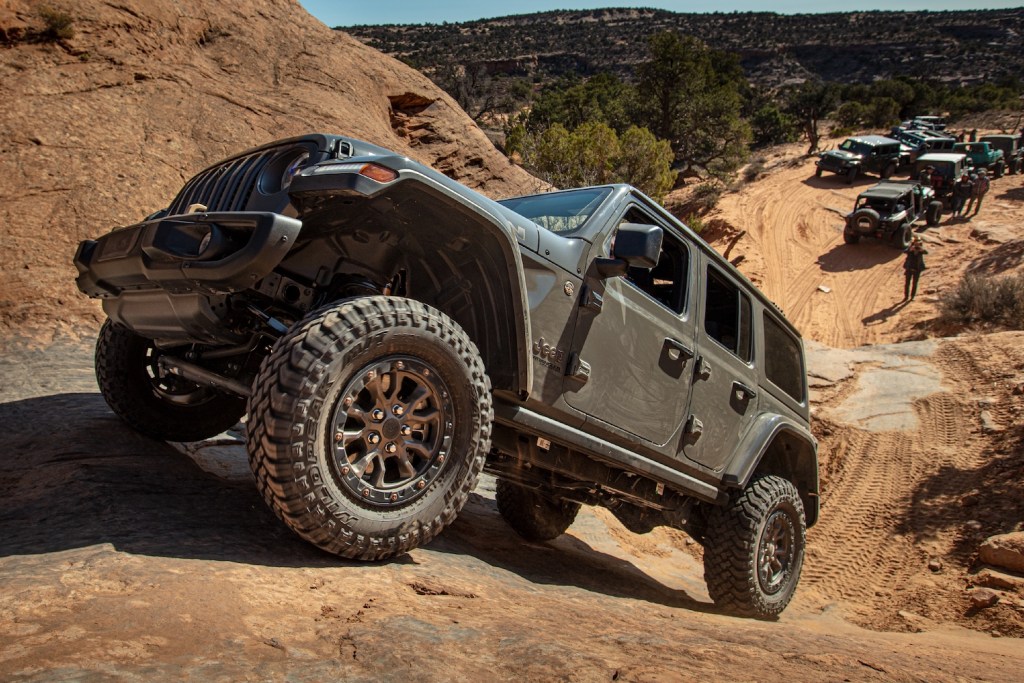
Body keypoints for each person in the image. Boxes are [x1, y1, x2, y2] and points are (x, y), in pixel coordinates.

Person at [903, 237, 928, 301]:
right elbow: (905, 251)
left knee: (915, 283)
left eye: (918, 243)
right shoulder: (910, 248)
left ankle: (912, 296)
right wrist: (910, 249)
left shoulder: (920, 249)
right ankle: (906, 296)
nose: (917, 245)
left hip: (917, 269)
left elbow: (926, 252)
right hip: (909, 268)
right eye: (915, 243)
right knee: (907, 283)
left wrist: (921, 250)